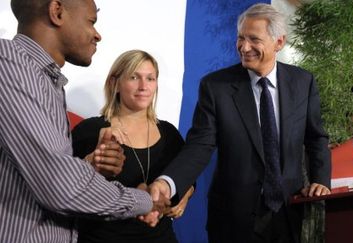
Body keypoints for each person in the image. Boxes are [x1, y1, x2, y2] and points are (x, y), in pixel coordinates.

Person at [150, 3, 331, 243]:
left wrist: (320, 180)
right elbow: (199, 146)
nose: (244, 47)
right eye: (240, 38)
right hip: (233, 220)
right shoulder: (216, 87)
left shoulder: (302, 82)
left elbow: (316, 137)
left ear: (279, 42)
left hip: (290, 214)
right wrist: (169, 182)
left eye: (254, 39)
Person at [0, 1, 166, 242]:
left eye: (151, 78)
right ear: (57, 12)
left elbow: (40, 173)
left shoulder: (44, 80)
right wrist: (146, 201)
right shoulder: (11, 67)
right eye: (91, 22)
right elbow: (60, 187)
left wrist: (91, 166)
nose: (97, 35)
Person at [71, 50, 194, 243]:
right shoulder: (89, 131)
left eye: (150, 78)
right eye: (134, 77)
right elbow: (65, 185)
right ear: (115, 83)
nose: (144, 86)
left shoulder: (169, 133)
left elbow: (187, 176)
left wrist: (185, 195)